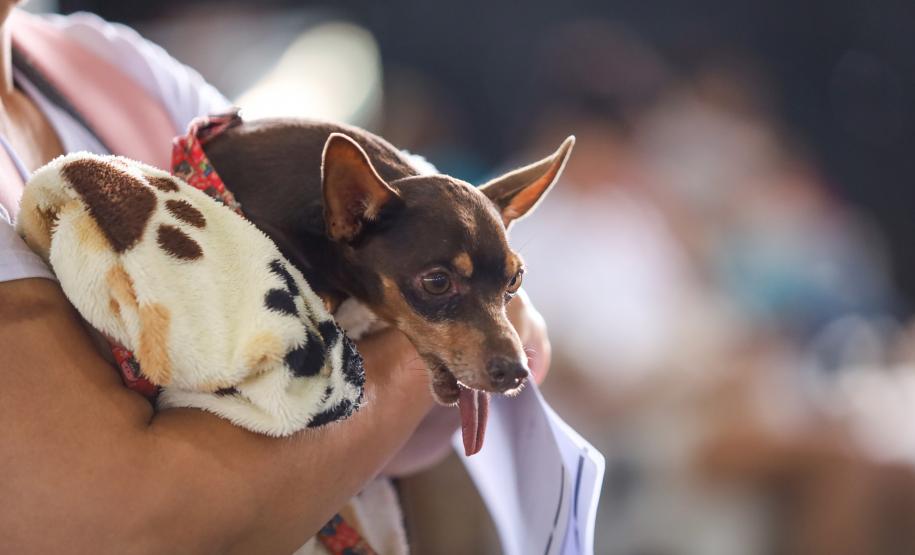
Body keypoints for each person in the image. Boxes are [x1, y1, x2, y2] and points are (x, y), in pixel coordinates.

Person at [0, 4, 550, 552]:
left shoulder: (102, 62)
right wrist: (408, 365)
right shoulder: (111, 72)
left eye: (508, 286)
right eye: (437, 287)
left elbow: (519, 322)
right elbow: (134, 525)